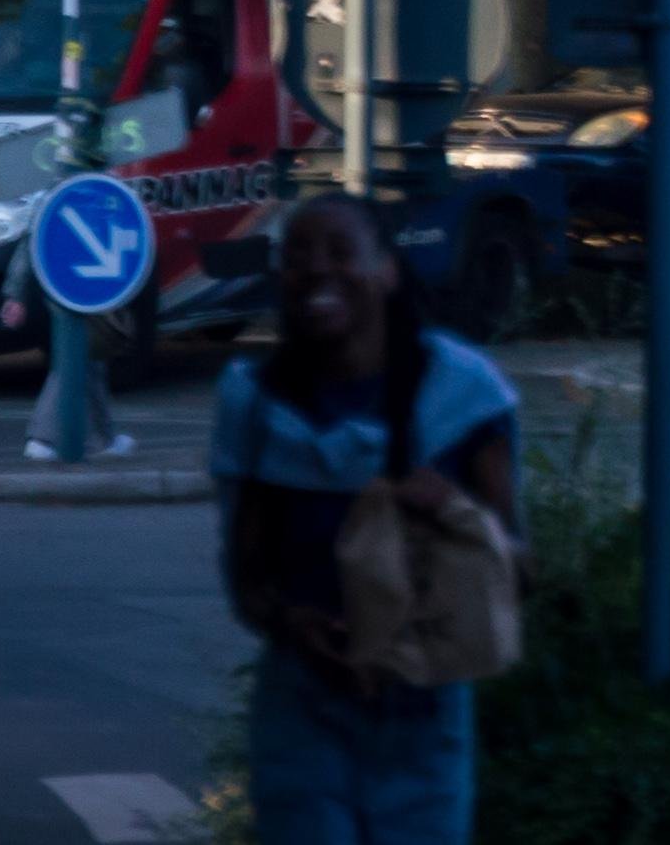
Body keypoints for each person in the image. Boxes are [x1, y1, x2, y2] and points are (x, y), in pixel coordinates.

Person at [218, 196, 520, 845]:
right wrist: (296, 623)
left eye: (338, 252)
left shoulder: (462, 394)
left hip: (423, 704)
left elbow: (516, 564)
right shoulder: (255, 405)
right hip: (303, 702)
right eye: (296, 256)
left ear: (385, 269)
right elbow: (246, 576)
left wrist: (452, 510)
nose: (315, 271)